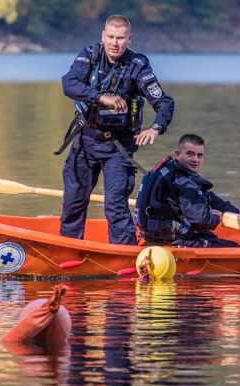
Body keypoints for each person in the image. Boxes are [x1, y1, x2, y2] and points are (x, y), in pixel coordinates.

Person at [56, 15, 174, 245]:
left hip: (118, 146)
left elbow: (164, 102)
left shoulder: (138, 66)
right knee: (73, 201)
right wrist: (101, 97)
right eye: (110, 36)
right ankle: (68, 249)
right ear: (103, 35)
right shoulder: (89, 55)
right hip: (86, 139)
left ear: (129, 39)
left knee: (116, 207)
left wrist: (156, 128)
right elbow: (68, 83)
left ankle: (125, 256)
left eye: (120, 38)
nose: (114, 43)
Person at [135, 134, 240, 248]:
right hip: (177, 241)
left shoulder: (169, 171)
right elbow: (201, 221)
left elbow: (208, 197)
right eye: (190, 154)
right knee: (234, 247)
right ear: (177, 154)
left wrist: (237, 212)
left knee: (213, 238)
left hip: (154, 237)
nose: (195, 160)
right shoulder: (184, 182)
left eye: (199, 155)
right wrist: (215, 216)